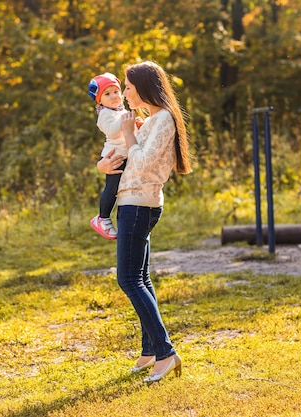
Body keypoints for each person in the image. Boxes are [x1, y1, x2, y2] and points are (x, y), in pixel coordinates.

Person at [97, 61, 192, 384]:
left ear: (143, 87)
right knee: (141, 277)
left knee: (128, 279)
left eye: (127, 86)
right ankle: (150, 350)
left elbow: (143, 160)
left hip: (139, 204)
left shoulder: (163, 118)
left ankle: (166, 353)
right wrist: (104, 165)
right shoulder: (153, 119)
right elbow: (123, 157)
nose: (123, 93)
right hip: (132, 201)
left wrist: (127, 132)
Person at [87, 72, 130, 240]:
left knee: (121, 189)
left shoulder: (121, 111)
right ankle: (102, 218)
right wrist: (126, 119)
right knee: (111, 188)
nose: (113, 96)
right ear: (99, 100)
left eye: (116, 91)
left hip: (125, 155)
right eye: (107, 94)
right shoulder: (105, 114)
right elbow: (112, 131)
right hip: (114, 158)